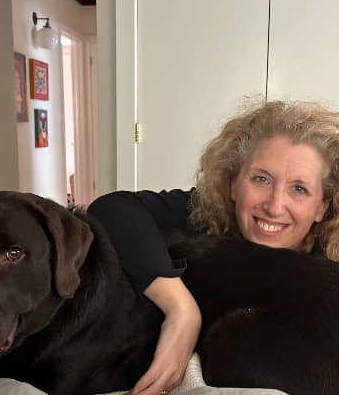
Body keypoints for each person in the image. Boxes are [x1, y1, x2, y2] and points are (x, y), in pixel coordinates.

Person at [88, 100, 339, 395]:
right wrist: (181, 310)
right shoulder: (206, 213)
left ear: (322, 206)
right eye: (261, 179)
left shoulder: (328, 260)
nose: (274, 206)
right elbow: (112, 208)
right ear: (233, 184)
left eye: (299, 188)